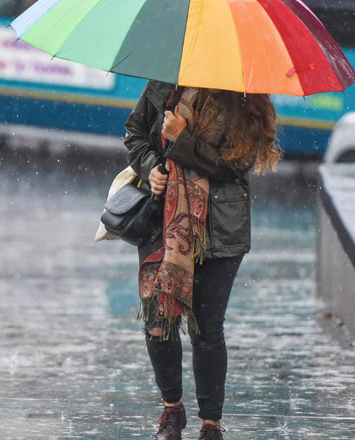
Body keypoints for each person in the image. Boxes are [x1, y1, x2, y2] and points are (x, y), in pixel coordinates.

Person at [124, 81, 280, 440]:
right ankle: (172, 410)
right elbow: (134, 133)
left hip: (219, 228)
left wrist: (181, 140)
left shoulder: (243, 93)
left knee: (206, 329)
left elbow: (235, 165)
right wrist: (150, 166)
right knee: (158, 320)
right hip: (160, 218)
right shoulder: (165, 82)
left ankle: (211, 423)